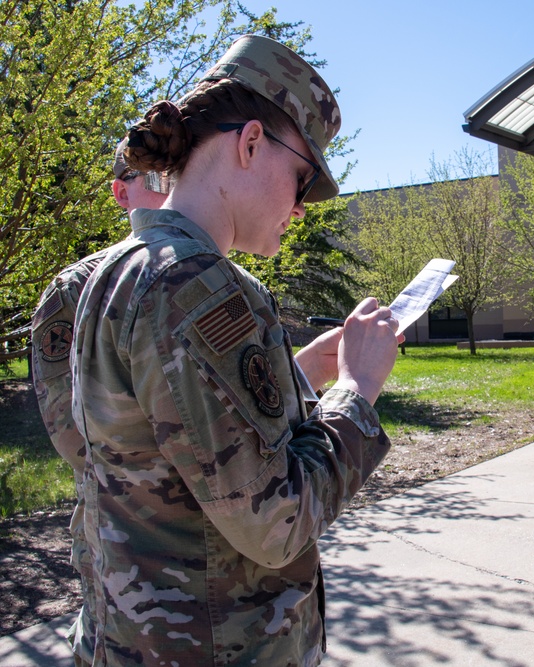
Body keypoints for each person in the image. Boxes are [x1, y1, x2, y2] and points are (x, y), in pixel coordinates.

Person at [30, 34, 400, 666]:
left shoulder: (85, 281)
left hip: (122, 639)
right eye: (303, 180)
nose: (301, 209)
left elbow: (126, 455)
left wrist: (299, 371)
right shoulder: (198, 288)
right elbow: (278, 522)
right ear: (250, 143)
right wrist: (356, 392)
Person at [31, 138, 172, 664]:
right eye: (155, 183)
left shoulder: (202, 281)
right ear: (122, 194)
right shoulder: (78, 289)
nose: (169, 194)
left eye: (174, 179)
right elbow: (76, 435)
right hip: (128, 547)